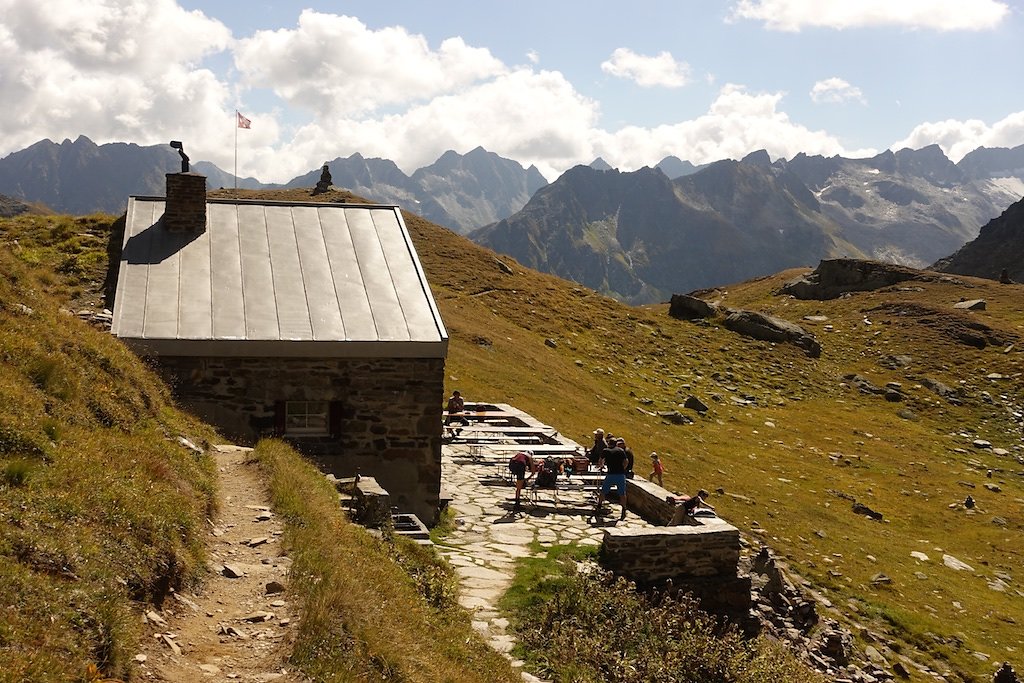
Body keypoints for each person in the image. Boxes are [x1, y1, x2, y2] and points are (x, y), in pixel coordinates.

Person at [597, 440, 629, 520]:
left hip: (611, 474)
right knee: (622, 493)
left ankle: (599, 506)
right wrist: (623, 468)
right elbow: (626, 461)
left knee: (603, 491)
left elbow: (600, 461)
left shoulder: (606, 450)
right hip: (620, 475)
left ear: (608, 444)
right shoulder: (621, 450)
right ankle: (624, 510)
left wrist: (601, 466)